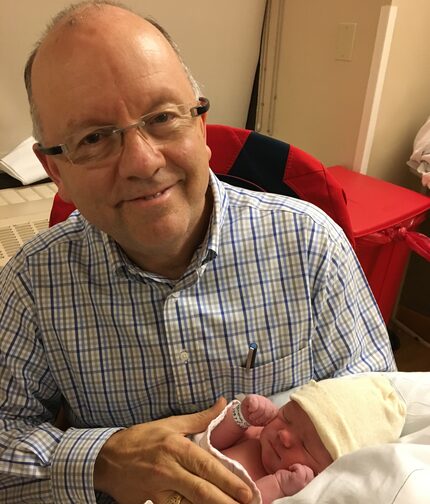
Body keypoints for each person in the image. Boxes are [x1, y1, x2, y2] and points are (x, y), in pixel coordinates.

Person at [0, 1, 396, 503]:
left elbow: (382, 412)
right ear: (56, 172)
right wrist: (104, 458)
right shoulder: (31, 287)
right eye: (95, 138)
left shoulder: (311, 247)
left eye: (163, 116)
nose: (143, 162)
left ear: (200, 125)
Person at [197, 375, 406, 504]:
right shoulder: (257, 432)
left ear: (327, 469)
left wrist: (278, 486)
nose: (284, 435)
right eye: (286, 417)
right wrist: (240, 417)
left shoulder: (299, 490)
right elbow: (209, 442)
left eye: (305, 445)